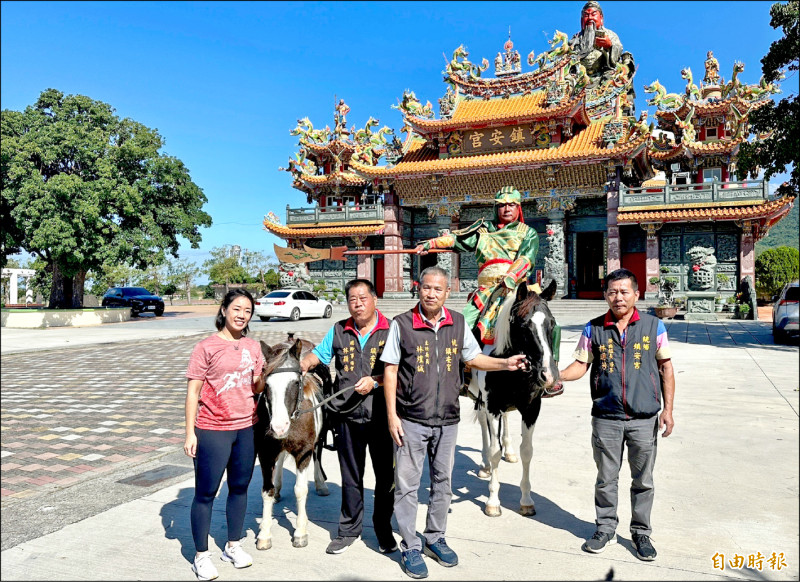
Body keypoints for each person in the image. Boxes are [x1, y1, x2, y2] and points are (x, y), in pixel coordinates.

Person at [381, 266, 529, 579]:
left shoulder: (458, 322)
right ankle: (410, 545)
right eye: (426, 287)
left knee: (443, 483)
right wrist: (392, 415)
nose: (431, 293)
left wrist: (505, 363)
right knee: (407, 487)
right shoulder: (402, 324)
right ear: (417, 288)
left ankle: (435, 537)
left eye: (438, 289)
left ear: (448, 293)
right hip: (411, 419)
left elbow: (472, 358)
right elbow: (390, 370)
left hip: (447, 419)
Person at [558, 269, 675, 562]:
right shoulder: (594, 328)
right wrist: (555, 376)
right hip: (606, 417)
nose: (618, 297)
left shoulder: (653, 326)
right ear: (605, 295)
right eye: (612, 292)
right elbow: (580, 366)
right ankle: (605, 528)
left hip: (644, 417)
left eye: (624, 292)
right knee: (606, 478)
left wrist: (668, 410)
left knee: (643, 480)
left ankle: (641, 533)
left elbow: (666, 368)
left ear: (636, 294)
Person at [415, 185, 562, 392]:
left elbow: (526, 258)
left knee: (550, 325)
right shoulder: (483, 230)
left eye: (511, 204)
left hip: (516, 289)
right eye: (502, 205)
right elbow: (457, 239)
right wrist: (429, 244)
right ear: (496, 208)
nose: (506, 209)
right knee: (461, 325)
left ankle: (552, 372)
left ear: (518, 208)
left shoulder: (527, 233)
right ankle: (464, 371)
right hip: (485, 292)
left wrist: (511, 277)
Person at [300, 279, 397, 555]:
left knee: (385, 478)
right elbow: (319, 355)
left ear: (375, 299)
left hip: (381, 417)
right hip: (347, 416)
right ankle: (348, 530)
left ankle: (383, 529)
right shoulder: (339, 329)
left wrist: (376, 382)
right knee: (351, 477)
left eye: (363, 297)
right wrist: (303, 363)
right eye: (352, 299)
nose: (358, 304)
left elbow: (402, 373)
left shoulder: (391, 330)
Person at [184, 288, 266, 581]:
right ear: (223, 310)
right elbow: (193, 392)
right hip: (212, 428)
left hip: (246, 427)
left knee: (240, 488)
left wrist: (261, 379)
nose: (242, 315)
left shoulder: (254, 347)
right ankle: (200, 555)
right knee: (205, 494)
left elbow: (255, 389)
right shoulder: (206, 347)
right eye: (237, 309)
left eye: (247, 311)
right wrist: (190, 433)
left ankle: (232, 545)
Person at [569, 1, 623, 78]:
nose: (590, 18)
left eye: (593, 14)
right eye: (586, 15)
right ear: (582, 20)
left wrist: (609, 46)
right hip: (580, 77)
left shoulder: (609, 35)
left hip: (602, 75)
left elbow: (619, 49)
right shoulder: (576, 38)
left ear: (601, 18)